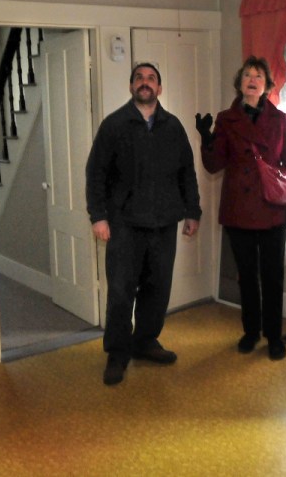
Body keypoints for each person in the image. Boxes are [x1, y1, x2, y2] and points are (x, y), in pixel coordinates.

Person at [86, 62, 201, 386]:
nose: (145, 83)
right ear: (131, 86)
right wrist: (99, 216)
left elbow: (187, 174)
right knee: (121, 293)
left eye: (151, 79)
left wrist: (193, 211)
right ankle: (118, 353)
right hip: (124, 225)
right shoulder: (114, 125)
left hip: (163, 223)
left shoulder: (173, 127)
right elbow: (96, 174)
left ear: (159, 89)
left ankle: (146, 342)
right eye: (139, 78)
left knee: (157, 289)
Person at [196, 56, 286, 361]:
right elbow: (215, 164)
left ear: (267, 86)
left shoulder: (279, 119)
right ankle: (250, 331)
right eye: (247, 75)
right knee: (246, 275)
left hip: (272, 207)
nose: (252, 80)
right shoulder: (225, 119)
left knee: (272, 277)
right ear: (240, 84)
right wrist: (206, 139)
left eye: (258, 76)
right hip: (239, 207)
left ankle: (274, 336)